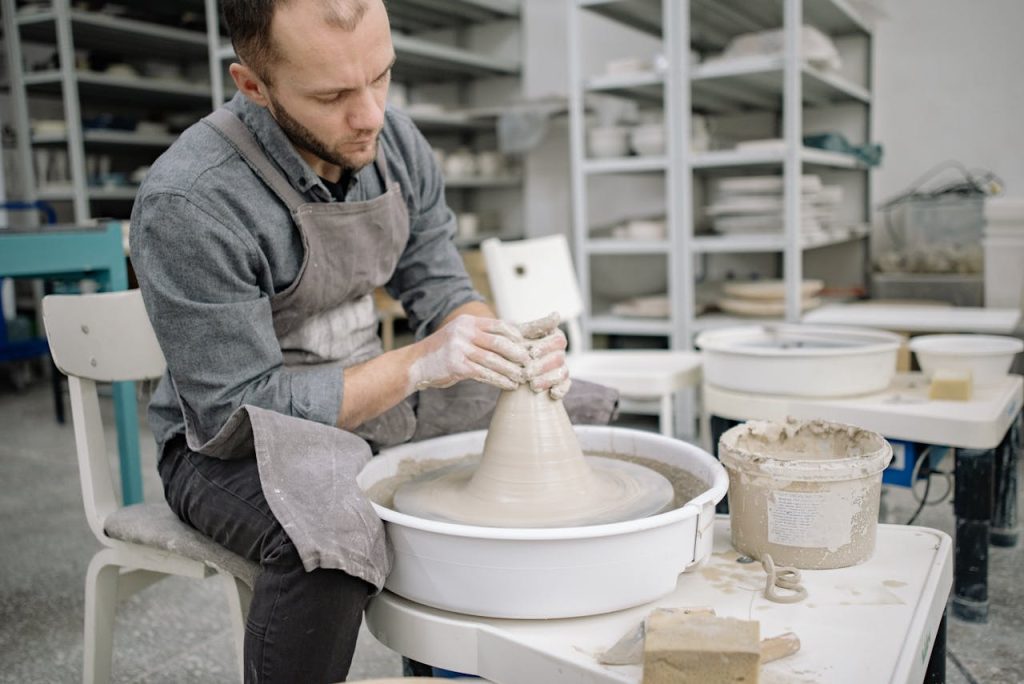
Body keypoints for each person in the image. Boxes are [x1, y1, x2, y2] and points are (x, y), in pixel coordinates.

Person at [129, 0, 619, 682]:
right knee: (332, 537)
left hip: (373, 399)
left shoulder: (396, 145)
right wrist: (420, 364)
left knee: (583, 411)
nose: (369, 117)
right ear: (253, 86)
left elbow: (443, 287)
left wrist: (497, 346)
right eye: (332, 95)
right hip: (225, 447)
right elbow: (232, 410)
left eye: (381, 77)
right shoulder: (191, 201)